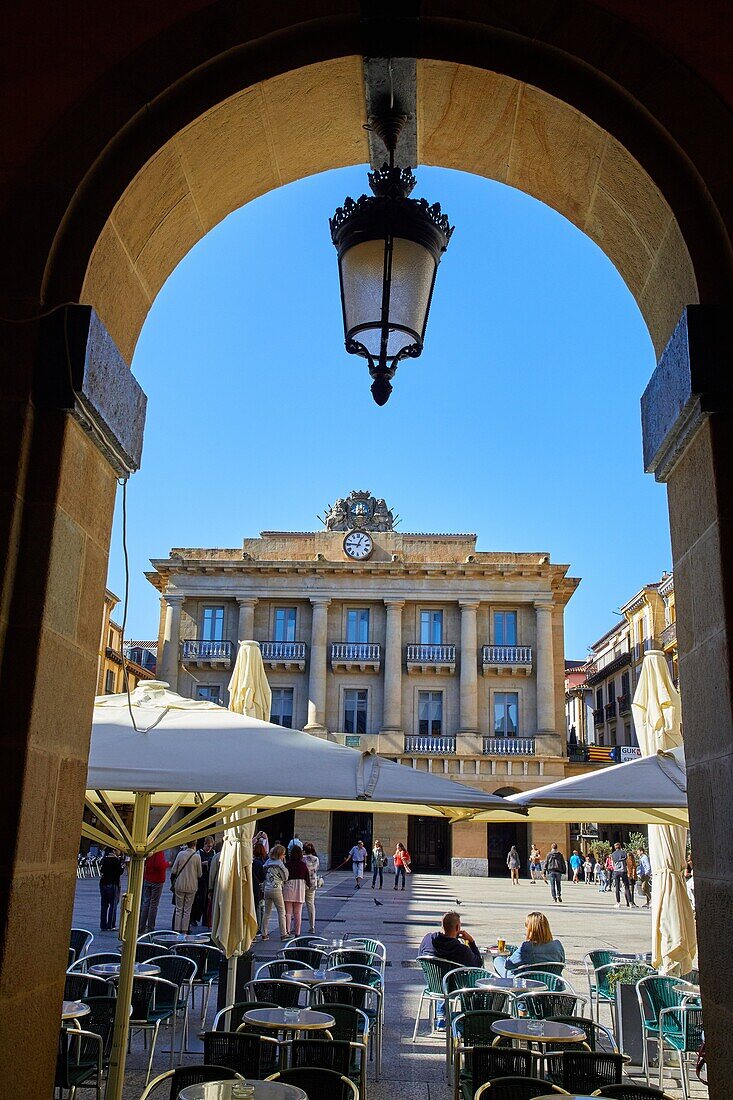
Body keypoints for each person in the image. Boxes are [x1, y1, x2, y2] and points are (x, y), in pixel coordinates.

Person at [418, 911, 483, 1027]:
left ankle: (441, 1016)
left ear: (442, 925)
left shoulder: (428, 939)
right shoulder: (460, 949)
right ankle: (469, 1017)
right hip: (454, 989)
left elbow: (420, 956)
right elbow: (477, 964)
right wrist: (471, 942)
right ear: (458, 927)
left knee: (443, 979)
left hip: (433, 984)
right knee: (466, 980)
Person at [170, 842, 202, 934]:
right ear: (195, 845)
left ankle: (176, 930)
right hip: (191, 886)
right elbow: (199, 874)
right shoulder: (197, 857)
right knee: (187, 910)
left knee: (178, 909)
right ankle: (184, 931)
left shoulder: (180, 854)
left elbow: (173, 870)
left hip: (179, 885)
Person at [262, 843, 289, 940]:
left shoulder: (268, 862)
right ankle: (283, 934)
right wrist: (284, 866)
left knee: (267, 912)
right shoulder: (280, 864)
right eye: (284, 854)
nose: (284, 856)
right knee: (281, 911)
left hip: (267, 888)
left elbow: (263, 871)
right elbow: (285, 877)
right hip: (276, 889)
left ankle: (264, 933)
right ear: (280, 854)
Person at [282, 843, 310, 936]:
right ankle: (297, 932)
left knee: (288, 912)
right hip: (300, 888)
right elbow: (307, 878)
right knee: (298, 912)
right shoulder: (303, 865)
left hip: (288, 887)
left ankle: (287, 931)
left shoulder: (287, 865)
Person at [140, 849, 169, 933]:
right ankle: (150, 926)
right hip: (157, 880)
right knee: (153, 904)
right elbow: (159, 865)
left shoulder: (149, 849)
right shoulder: (159, 851)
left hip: (148, 877)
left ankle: (141, 926)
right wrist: (167, 864)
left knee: (146, 903)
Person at [190, 835, 215, 928]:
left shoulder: (213, 852)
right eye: (208, 846)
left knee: (208, 900)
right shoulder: (199, 853)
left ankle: (206, 920)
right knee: (200, 900)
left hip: (209, 878)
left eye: (211, 846)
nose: (209, 848)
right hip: (201, 878)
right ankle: (195, 918)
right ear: (204, 844)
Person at [99, 847, 125, 931]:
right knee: (113, 905)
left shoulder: (105, 859)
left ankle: (103, 925)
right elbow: (120, 872)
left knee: (104, 905)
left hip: (103, 883)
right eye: (118, 850)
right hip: (113, 883)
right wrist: (123, 866)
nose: (120, 852)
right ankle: (111, 925)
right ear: (114, 851)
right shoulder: (116, 861)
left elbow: (102, 870)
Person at [611, 842, 636, 908]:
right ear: (620, 846)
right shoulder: (624, 853)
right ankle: (630, 902)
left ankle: (618, 903)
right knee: (627, 887)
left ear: (615, 847)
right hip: (623, 871)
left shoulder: (613, 854)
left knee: (617, 888)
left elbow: (613, 864)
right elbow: (626, 862)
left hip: (616, 871)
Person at [302, 842, 320, 932]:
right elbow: (316, 869)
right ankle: (312, 926)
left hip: (303, 883)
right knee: (311, 905)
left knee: (299, 905)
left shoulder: (302, 859)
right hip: (313, 883)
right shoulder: (316, 859)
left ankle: (295, 926)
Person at [252, 840, 267, 935]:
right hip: (260, 888)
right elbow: (263, 877)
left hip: (253, 887)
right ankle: (259, 928)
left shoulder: (253, 862)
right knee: (261, 908)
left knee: (256, 907)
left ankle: (256, 927)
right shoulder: (263, 862)